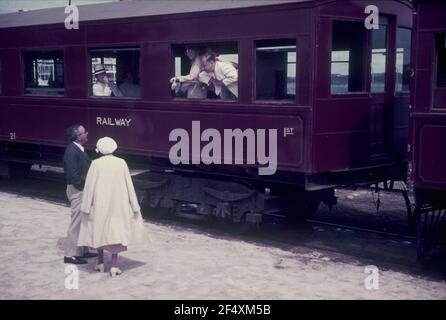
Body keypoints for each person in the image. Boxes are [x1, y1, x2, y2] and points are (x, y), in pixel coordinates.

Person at [78, 137, 144, 277]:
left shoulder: (95, 164)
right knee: (115, 234)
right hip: (118, 205)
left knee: (99, 231)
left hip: (100, 204)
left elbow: (89, 187)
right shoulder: (121, 163)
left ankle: (100, 263)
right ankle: (114, 266)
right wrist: (134, 206)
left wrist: (86, 206)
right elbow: (129, 185)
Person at [63, 125, 97, 264]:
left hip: (80, 189)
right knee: (76, 222)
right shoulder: (72, 151)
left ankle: (82, 250)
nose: (87, 133)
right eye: (84, 132)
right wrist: (84, 187)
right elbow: (73, 175)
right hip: (78, 191)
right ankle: (70, 254)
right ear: (78, 136)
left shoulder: (77, 149)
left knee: (84, 220)